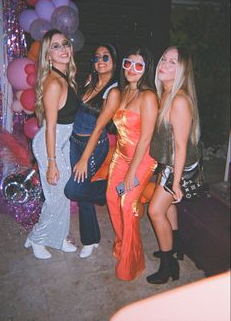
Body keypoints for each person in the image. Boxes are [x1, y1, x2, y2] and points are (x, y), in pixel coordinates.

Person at [147, 46, 201, 284]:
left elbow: (180, 146)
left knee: (155, 210)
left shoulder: (179, 100)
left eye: (172, 63)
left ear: (182, 71)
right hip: (168, 161)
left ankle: (168, 266)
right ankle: (175, 245)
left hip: (178, 164)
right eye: (163, 59)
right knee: (167, 208)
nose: (163, 65)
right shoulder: (165, 93)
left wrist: (176, 182)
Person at [24, 29, 80, 259]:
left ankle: (57, 237)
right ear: (48, 55)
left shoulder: (65, 78)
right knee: (57, 196)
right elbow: (49, 127)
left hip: (61, 142)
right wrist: (52, 163)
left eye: (65, 44)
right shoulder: (54, 83)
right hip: (50, 144)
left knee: (63, 194)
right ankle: (38, 238)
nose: (63, 49)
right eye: (56, 46)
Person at [64, 43, 121, 258]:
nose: (100, 61)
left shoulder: (113, 92)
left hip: (94, 146)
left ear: (114, 62)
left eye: (106, 57)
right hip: (75, 142)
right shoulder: (90, 82)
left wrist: (84, 158)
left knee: (73, 190)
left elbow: (99, 128)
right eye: (97, 57)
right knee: (81, 194)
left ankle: (106, 192)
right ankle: (91, 239)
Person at [106, 46, 158, 281]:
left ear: (146, 70)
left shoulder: (148, 96)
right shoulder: (124, 91)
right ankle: (121, 242)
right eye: (128, 63)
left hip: (143, 158)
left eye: (138, 65)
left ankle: (132, 259)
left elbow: (146, 138)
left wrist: (132, 173)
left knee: (128, 204)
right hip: (121, 154)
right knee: (110, 198)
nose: (132, 69)